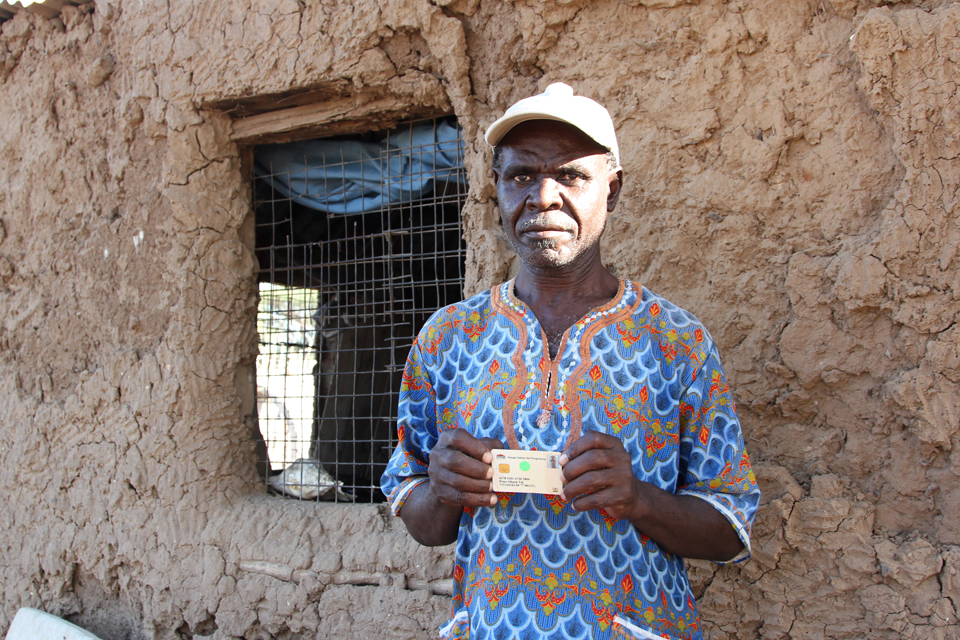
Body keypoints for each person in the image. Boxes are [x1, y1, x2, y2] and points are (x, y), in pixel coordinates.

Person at [381, 83, 760, 640]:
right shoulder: (448, 337)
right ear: (498, 190)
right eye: (521, 176)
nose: (543, 197)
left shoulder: (676, 341)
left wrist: (640, 499)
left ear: (614, 188)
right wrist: (441, 488)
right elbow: (420, 514)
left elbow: (730, 529)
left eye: (571, 176)